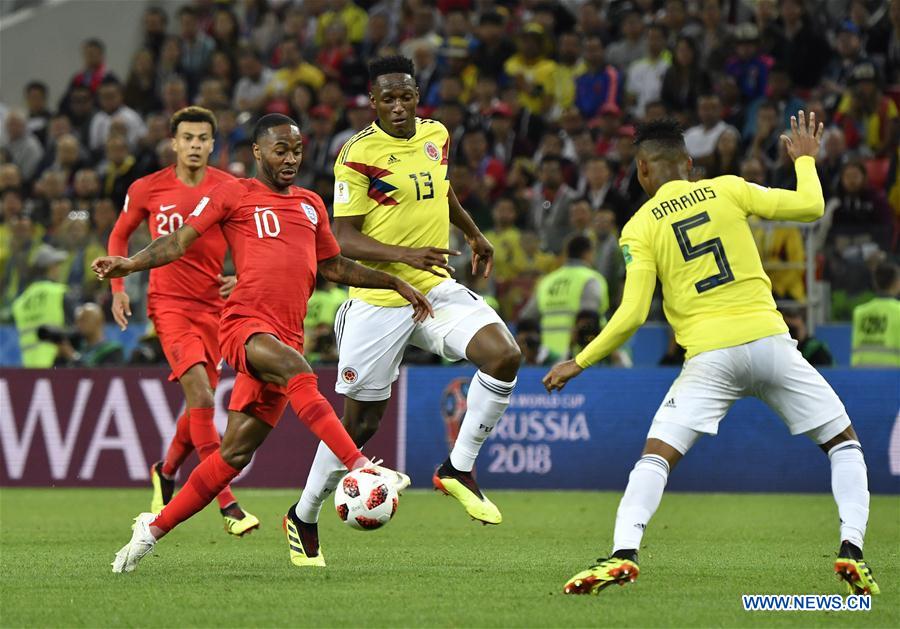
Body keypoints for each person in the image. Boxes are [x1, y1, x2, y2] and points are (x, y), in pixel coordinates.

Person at [543, 113, 879, 597]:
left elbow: (633, 314)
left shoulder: (638, 227)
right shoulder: (728, 188)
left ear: (641, 171)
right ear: (690, 164)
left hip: (709, 358)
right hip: (770, 343)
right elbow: (810, 206)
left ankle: (623, 553)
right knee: (843, 444)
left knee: (655, 458)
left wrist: (580, 361)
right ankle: (852, 549)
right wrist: (805, 161)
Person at [96, 113, 431, 574]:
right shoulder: (234, 193)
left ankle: (150, 531)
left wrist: (392, 281)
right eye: (281, 150)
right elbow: (178, 242)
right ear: (257, 152)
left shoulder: (312, 204)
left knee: (232, 456)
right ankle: (362, 466)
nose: (291, 158)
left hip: (285, 333)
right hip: (243, 325)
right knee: (299, 371)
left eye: (296, 150)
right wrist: (130, 265)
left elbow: (333, 267)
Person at [290, 56, 521, 568]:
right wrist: (404, 255)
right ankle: (303, 515)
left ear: (418, 96)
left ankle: (457, 469)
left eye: (406, 96)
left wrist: (472, 230)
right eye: (388, 99)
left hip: (435, 289)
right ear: (372, 102)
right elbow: (343, 237)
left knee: (504, 356)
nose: (398, 107)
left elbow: (441, 189)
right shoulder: (355, 154)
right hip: (377, 302)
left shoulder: (437, 133)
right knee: (360, 427)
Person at [106, 105, 259, 534]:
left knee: (201, 398)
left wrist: (240, 278)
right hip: (168, 304)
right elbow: (119, 235)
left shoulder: (229, 188)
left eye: (202, 139)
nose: (194, 145)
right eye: (187, 138)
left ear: (213, 144)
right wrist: (118, 290)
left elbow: (247, 242)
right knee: (202, 395)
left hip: (215, 308)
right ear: (173, 143)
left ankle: (166, 469)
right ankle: (227, 503)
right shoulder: (146, 188)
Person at [520, 235, 608, 358]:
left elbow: (527, 318)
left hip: (548, 357)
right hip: (579, 357)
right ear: (587, 253)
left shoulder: (547, 281)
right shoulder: (591, 279)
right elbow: (588, 318)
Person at [851, 263, 900, 367]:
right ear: (896, 283)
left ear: (875, 283)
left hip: (860, 375)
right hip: (894, 376)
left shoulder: (859, 312)